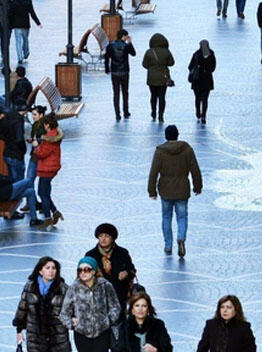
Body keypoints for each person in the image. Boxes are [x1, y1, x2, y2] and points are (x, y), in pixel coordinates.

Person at [148, 124, 203, 257]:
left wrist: (152, 191)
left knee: (166, 217)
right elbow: (195, 170)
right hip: (182, 189)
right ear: (177, 135)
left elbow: (153, 172)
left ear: (166, 136)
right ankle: (181, 238)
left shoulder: (160, 151)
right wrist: (198, 186)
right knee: (182, 217)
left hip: (166, 190)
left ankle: (168, 245)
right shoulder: (187, 150)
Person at [60, 256, 121, 352]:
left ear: (94, 271)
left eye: (87, 269)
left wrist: (108, 321)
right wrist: (72, 324)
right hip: (81, 334)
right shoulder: (74, 288)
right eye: (80, 270)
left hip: (102, 333)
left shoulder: (105, 286)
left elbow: (115, 306)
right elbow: (64, 313)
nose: (83, 272)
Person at [12, 256, 71, 352]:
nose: (51, 271)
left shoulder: (64, 289)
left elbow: (72, 310)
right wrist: (19, 330)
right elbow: (22, 308)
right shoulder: (30, 287)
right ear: (40, 271)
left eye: (53, 268)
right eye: (47, 268)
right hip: (35, 339)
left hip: (58, 340)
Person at [0, 144, 43, 226]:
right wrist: (11, 180)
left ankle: (34, 219)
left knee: (30, 192)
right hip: (3, 194)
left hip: (3, 191)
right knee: (28, 181)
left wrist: (8, 180)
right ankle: (40, 203)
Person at [85, 223, 136, 318]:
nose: (103, 239)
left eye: (107, 236)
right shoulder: (91, 255)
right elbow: (84, 275)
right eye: (101, 236)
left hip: (119, 293)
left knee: (119, 321)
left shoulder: (122, 253)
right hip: (98, 295)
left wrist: (126, 273)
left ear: (113, 238)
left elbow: (131, 269)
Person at [34, 114, 64, 227]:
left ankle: (47, 218)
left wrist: (36, 147)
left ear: (47, 125)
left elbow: (42, 153)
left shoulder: (49, 138)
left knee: (42, 193)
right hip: (51, 167)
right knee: (45, 193)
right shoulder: (54, 134)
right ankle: (55, 212)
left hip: (47, 168)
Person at [142, 33, 174, 123]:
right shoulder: (166, 51)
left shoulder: (149, 52)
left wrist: (152, 67)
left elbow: (144, 64)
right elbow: (171, 63)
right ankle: (161, 115)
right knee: (162, 97)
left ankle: (153, 111)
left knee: (153, 95)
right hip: (163, 77)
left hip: (152, 77)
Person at [104, 29, 136, 121]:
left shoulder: (110, 45)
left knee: (116, 93)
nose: (127, 38)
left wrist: (107, 69)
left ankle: (117, 114)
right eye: (126, 36)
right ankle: (126, 112)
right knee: (125, 92)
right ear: (123, 36)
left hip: (115, 72)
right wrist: (130, 43)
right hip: (124, 72)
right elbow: (133, 53)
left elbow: (106, 58)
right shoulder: (126, 46)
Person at [10, 0, 42, 64]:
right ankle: (26, 52)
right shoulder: (28, 1)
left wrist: (10, 24)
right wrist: (38, 23)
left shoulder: (13, 2)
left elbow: (11, 14)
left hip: (17, 25)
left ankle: (20, 57)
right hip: (25, 24)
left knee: (18, 41)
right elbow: (32, 13)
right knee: (25, 39)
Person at [188, 40, 216, 124]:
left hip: (197, 79)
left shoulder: (196, 54)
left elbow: (190, 66)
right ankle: (204, 115)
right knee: (205, 99)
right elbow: (213, 67)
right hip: (207, 79)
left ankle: (198, 112)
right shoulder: (211, 54)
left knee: (197, 98)